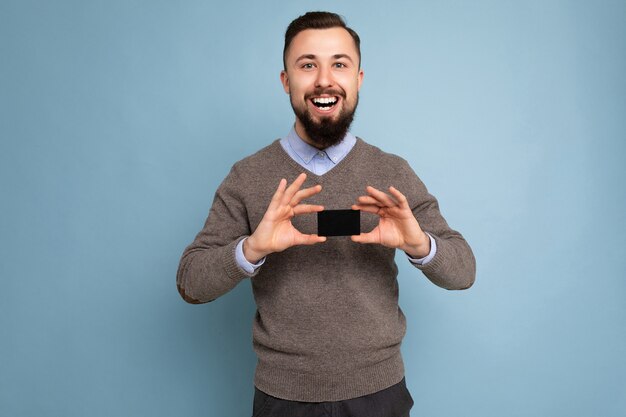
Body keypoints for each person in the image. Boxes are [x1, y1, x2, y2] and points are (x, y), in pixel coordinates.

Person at [177, 11, 475, 417]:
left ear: (358, 79)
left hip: (380, 395)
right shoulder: (247, 177)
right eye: (307, 65)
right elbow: (191, 284)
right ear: (286, 81)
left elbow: (463, 271)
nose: (324, 79)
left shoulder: (393, 172)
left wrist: (418, 243)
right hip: (282, 400)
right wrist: (251, 249)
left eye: (339, 64)